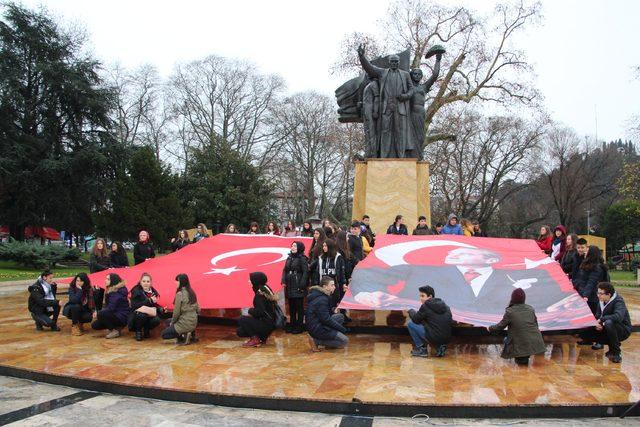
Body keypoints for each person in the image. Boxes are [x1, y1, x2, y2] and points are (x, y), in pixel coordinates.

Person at [488, 288, 546, 366]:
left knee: (522, 369)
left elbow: (500, 326)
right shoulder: (530, 309)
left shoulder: (510, 311)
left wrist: (489, 328)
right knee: (530, 369)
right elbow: (535, 324)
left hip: (521, 344)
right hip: (536, 342)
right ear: (524, 299)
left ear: (513, 298)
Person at [581, 283, 632, 363]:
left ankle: (617, 353)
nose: (598, 295)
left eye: (601, 294)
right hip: (607, 327)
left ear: (609, 294)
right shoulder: (601, 301)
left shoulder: (618, 301)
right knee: (585, 329)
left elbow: (618, 317)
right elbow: (598, 315)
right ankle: (612, 347)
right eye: (598, 293)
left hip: (622, 330)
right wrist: (598, 324)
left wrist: (602, 320)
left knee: (609, 323)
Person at [406, 285, 452, 357]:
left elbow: (415, 319)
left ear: (430, 297)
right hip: (446, 338)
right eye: (420, 296)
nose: (420, 298)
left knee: (411, 324)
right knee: (431, 326)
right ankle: (439, 347)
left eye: (422, 296)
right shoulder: (446, 307)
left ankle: (422, 350)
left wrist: (410, 310)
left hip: (434, 336)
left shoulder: (426, 306)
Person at [306, 276, 349, 352]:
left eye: (334, 285)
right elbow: (326, 319)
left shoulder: (323, 296)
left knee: (340, 317)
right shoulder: (322, 299)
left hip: (319, 323)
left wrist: (333, 311)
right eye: (332, 285)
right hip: (317, 328)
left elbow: (324, 314)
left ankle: (327, 338)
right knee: (344, 341)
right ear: (325, 287)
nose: (334, 287)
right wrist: (342, 329)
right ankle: (316, 341)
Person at [237, 272, 278, 347]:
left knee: (241, 319)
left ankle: (255, 339)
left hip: (266, 324)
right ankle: (262, 338)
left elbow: (260, 312)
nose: (249, 281)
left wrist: (250, 310)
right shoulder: (265, 289)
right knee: (240, 330)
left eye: (251, 280)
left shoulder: (260, 295)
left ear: (256, 281)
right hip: (270, 323)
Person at [161, 274, 200, 345]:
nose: (175, 282)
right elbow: (198, 309)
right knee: (167, 322)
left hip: (184, 323)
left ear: (182, 282)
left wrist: (172, 323)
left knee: (164, 335)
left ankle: (184, 335)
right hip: (194, 323)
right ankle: (189, 335)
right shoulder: (192, 292)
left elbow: (176, 313)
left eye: (177, 281)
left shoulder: (179, 294)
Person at [310, 238, 347, 310]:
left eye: (325, 246)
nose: (324, 248)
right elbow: (318, 272)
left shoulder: (338, 257)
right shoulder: (321, 258)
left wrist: (343, 283)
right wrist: (316, 284)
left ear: (330, 247)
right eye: (323, 246)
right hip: (323, 285)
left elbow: (342, 271)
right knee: (324, 304)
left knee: (334, 303)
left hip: (334, 285)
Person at [91, 273, 130, 339]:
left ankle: (114, 331)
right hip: (115, 315)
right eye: (106, 279)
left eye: (108, 279)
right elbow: (106, 305)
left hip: (121, 317)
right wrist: (97, 293)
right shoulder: (111, 290)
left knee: (101, 314)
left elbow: (111, 308)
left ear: (113, 281)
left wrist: (98, 313)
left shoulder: (117, 292)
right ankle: (117, 327)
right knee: (95, 325)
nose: (105, 280)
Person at [281, 241, 309, 334]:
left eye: (295, 246)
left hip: (298, 284)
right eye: (292, 246)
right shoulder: (289, 257)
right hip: (289, 284)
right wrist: (283, 280)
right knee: (291, 306)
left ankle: (299, 326)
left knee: (299, 307)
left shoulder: (302, 258)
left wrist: (302, 284)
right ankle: (292, 325)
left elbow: (305, 272)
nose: (292, 247)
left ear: (300, 248)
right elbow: (285, 270)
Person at [573, 245, 608, 317]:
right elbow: (580, 279)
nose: (584, 253)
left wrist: (585, 295)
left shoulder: (597, 268)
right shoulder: (586, 264)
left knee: (592, 316)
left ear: (591, 254)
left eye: (587, 252)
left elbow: (591, 282)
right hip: (584, 294)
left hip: (592, 297)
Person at [128, 273, 163, 341]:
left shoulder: (153, 292)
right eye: (144, 281)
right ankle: (138, 331)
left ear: (151, 283)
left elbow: (154, 305)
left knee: (157, 320)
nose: (146, 283)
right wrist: (149, 300)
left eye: (148, 281)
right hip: (136, 315)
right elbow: (135, 306)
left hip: (148, 314)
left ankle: (146, 329)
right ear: (140, 282)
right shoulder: (136, 290)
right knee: (142, 315)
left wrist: (160, 309)